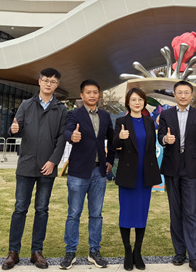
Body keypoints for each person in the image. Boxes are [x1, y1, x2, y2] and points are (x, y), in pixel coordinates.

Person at [2, 68, 67, 270]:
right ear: (39, 82)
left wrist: (53, 161)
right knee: (20, 208)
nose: (48, 84)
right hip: (26, 165)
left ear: (57, 85)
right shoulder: (26, 104)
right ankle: (13, 252)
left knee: (42, 209)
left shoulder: (61, 109)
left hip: (47, 167)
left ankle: (36, 251)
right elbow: (15, 128)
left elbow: (62, 138)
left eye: (53, 81)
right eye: (45, 80)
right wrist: (13, 129)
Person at [60, 79, 116, 270]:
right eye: (88, 92)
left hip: (99, 172)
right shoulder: (74, 114)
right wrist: (72, 136)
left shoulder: (105, 116)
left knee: (96, 214)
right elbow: (67, 131)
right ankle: (70, 252)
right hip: (78, 172)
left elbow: (112, 139)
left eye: (95, 92)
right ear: (82, 95)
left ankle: (94, 251)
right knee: (74, 214)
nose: (92, 95)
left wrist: (110, 161)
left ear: (99, 95)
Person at [158, 80, 196, 272]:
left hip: (191, 169)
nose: (183, 96)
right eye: (179, 92)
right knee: (175, 212)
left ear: (192, 95)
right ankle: (179, 252)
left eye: (186, 92)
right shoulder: (166, 115)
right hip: (171, 168)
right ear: (174, 94)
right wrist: (165, 139)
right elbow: (160, 136)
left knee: (191, 212)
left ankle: (194, 257)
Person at [113, 88, 162, 271]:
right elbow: (114, 144)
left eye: (140, 99)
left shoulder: (149, 122)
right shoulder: (121, 122)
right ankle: (127, 252)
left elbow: (151, 148)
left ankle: (137, 252)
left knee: (142, 214)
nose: (137, 102)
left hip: (145, 175)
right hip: (128, 175)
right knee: (126, 214)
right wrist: (120, 137)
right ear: (128, 102)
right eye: (133, 99)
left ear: (144, 102)